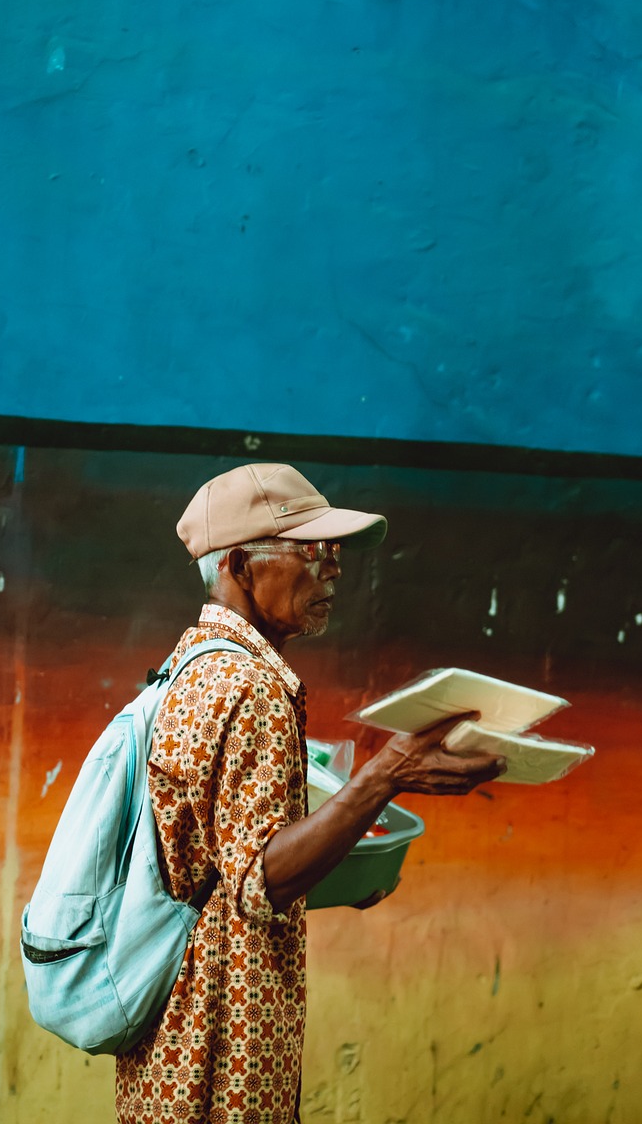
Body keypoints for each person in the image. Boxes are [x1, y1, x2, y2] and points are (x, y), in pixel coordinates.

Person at [115, 462, 505, 1124]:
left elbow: (218, 860)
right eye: (311, 551)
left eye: (335, 553)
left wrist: (346, 862)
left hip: (172, 1039)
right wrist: (386, 776)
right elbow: (260, 879)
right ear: (239, 566)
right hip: (223, 1045)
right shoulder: (249, 689)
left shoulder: (187, 667)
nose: (334, 569)